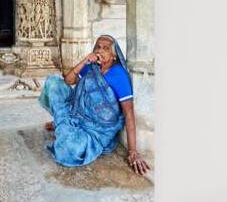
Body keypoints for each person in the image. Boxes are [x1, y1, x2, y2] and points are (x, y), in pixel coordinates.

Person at [39, 35, 150, 175]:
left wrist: (133, 151)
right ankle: (63, 123)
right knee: (53, 84)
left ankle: (63, 124)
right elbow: (68, 81)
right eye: (98, 46)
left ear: (114, 56)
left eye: (106, 48)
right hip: (77, 114)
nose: (100, 50)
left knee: (68, 149)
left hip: (97, 129)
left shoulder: (119, 75)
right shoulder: (91, 66)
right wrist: (85, 60)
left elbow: (128, 113)